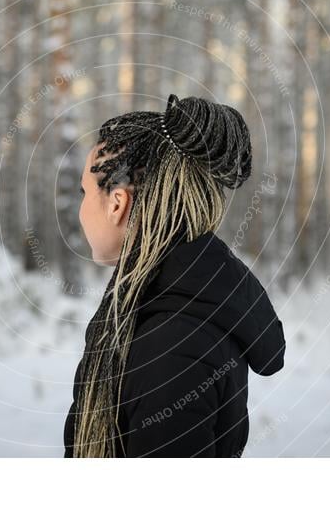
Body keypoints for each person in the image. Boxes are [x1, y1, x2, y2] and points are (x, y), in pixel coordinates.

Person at [64, 93, 286, 458]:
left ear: (117, 203)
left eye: (84, 193)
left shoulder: (173, 343)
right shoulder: (163, 311)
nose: (81, 210)